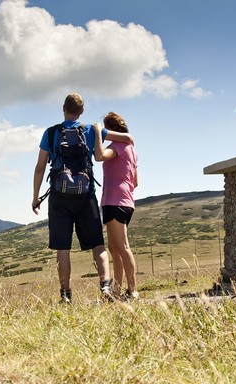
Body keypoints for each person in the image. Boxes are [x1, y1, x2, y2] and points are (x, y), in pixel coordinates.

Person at [32, 94, 132, 304]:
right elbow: (126, 138)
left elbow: (40, 167)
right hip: (86, 196)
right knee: (97, 245)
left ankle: (66, 295)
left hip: (59, 197)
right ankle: (105, 286)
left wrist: (36, 197)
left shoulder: (50, 134)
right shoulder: (89, 130)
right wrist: (114, 136)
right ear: (82, 111)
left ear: (63, 109)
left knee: (63, 248)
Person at [93, 112, 139, 300]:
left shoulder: (118, 146)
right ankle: (118, 290)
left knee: (123, 247)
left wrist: (97, 133)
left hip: (114, 200)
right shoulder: (132, 150)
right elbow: (135, 182)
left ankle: (133, 290)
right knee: (114, 248)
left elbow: (100, 156)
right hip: (126, 201)